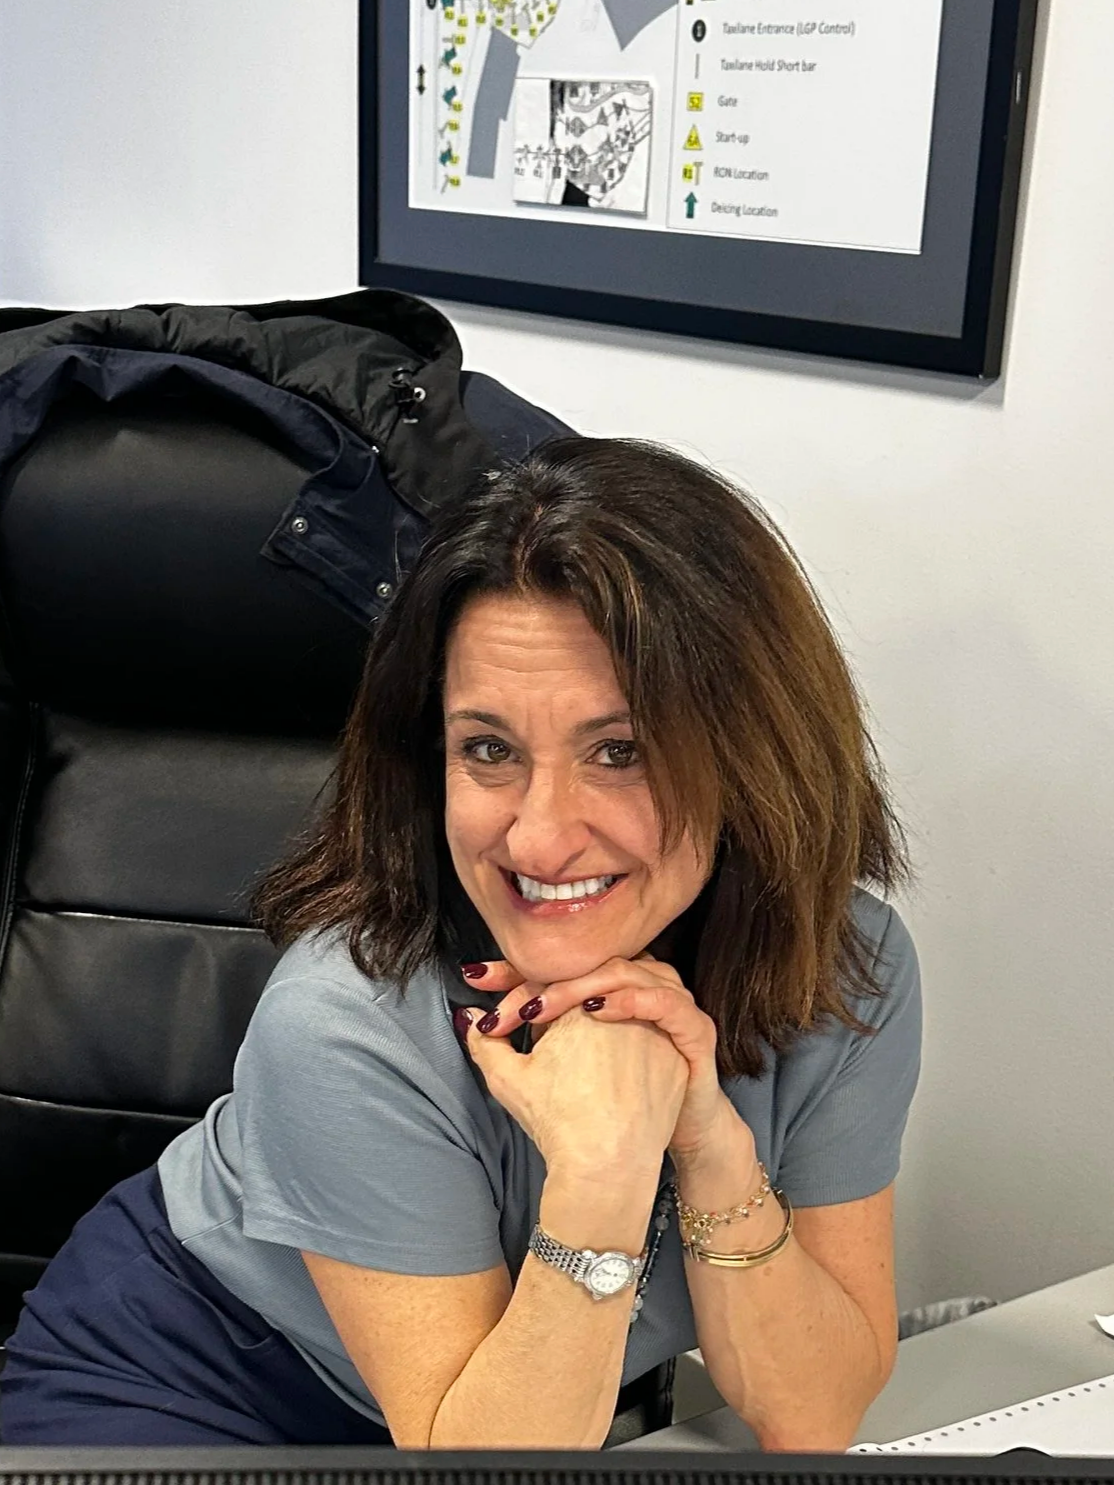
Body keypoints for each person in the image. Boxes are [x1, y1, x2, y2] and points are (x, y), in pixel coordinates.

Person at [0, 438, 921, 1451]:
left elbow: (814, 1415)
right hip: (194, 1380)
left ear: (755, 754)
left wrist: (708, 1143)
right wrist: (606, 1168)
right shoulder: (343, 1018)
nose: (536, 835)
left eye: (620, 752)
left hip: (508, 1407)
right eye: (488, 750)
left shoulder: (842, 972)